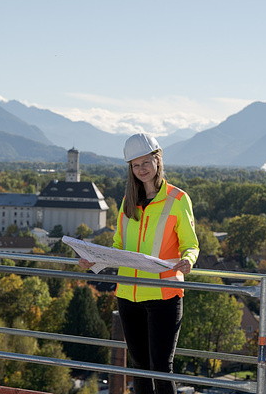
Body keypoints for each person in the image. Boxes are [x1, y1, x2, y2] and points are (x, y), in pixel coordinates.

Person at [79, 132, 199, 394]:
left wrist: (188, 259)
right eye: (135, 165)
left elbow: (191, 244)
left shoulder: (178, 199)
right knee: (139, 367)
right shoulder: (127, 202)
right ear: (130, 169)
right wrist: (94, 259)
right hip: (127, 295)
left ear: (158, 160)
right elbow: (118, 247)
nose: (141, 169)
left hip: (164, 295)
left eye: (146, 162)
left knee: (161, 367)